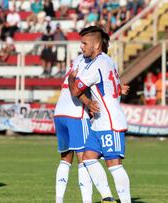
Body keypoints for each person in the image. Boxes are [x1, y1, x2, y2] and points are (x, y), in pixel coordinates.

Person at [68, 26, 131, 203]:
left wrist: (72, 76)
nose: (81, 47)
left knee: (114, 164)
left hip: (110, 121)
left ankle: (125, 201)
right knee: (88, 158)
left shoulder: (96, 65)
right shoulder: (109, 60)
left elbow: (74, 90)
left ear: (96, 45)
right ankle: (107, 198)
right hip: (98, 122)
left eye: (84, 43)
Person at [54, 50, 98, 203]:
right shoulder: (92, 63)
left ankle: (59, 200)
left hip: (60, 113)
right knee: (85, 159)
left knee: (65, 160)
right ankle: (87, 201)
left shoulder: (77, 61)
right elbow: (77, 90)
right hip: (76, 115)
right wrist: (89, 103)